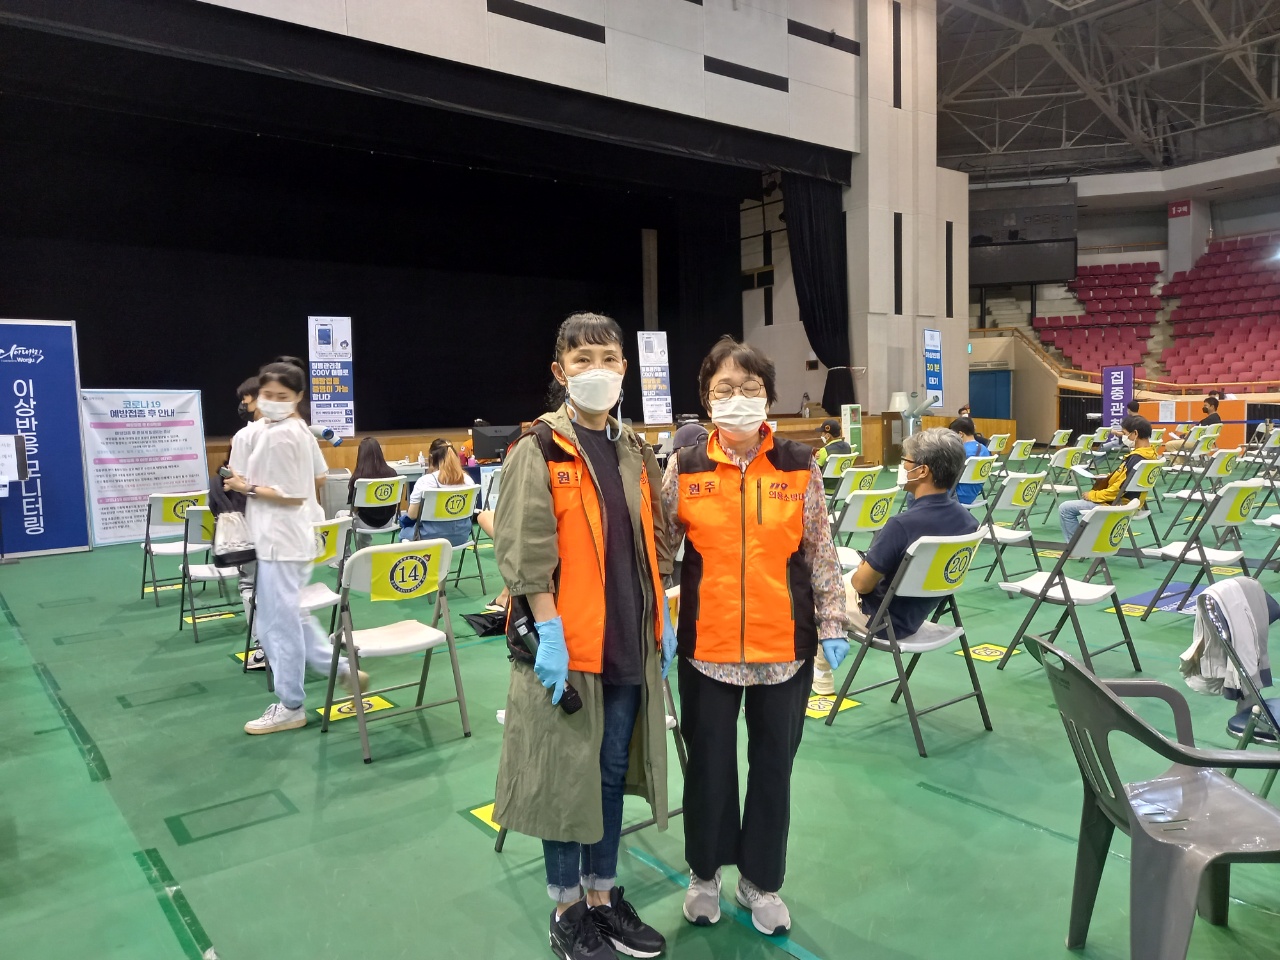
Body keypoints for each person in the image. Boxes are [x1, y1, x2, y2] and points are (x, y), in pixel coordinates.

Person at [492, 312, 675, 960]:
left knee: (608, 772)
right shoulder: (539, 449)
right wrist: (548, 632)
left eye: (608, 359)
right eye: (582, 360)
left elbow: (654, 542)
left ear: (625, 368)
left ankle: (601, 896)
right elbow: (525, 550)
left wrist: (661, 618)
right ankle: (566, 909)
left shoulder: (633, 450)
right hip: (569, 649)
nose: (597, 370)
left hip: (628, 640)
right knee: (565, 776)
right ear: (560, 371)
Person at [664, 336, 845, 936]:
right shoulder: (686, 466)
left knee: (773, 769)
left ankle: (761, 882)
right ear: (706, 400)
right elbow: (661, 552)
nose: (737, 398)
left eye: (750, 388)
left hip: (783, 649)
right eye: (725, 389)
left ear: (767, 397)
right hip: (707, 649)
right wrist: (659, 619)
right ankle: (705, 875)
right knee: (708, 768)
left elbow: (819, 551)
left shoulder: (798, 464)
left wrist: (832, 622)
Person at [223, 360, 365, 734]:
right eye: (267, 394)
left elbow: (294, 493)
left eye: (281, 395)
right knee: (289, 616)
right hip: (286, 537)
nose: (272, 401)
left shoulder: (286, 435)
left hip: (281, 540)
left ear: (298, 397)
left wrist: (249, 488)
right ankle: (341, 669)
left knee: (277, 624)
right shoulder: (282, 432)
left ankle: (291, 705)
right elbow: (319, 476)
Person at [839, 427, 978, 650]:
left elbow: (861, 585)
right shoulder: (968, 522)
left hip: (880, 620)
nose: (902, 466)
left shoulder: (901, 525)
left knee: (813, 595)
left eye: (906, 460)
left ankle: (819, 669)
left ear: (922, 471)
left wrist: (864, 565)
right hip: (915, 617)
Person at [1057, 415, 1157, 542]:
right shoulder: (1151, 455)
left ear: (1135, 433)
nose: (1123, 437)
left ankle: (1075, 548)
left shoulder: (1136, 458)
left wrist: (1092, 495)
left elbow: (1117, 490)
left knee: (1065, 509)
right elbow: (1126, 480)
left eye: (1125, 433)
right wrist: (1109, 477)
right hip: (1135, 502)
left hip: (1119, 503)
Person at [401, 440, 476, 547]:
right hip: (462, 536)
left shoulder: (425, 481)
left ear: (431, 458)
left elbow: (412, 515)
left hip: (430, 538)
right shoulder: (468, 480)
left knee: (404, 533)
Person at [346, 437, 398, 549]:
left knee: (341, 516)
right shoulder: (392, 474)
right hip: (388, 521)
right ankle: (364, 549)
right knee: (363, 515)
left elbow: (354, 508)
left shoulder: (358, 477)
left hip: (365, 523)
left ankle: (347, 555)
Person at [948, 417, 990, 505]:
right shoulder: (985, 449)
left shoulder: (960, 451)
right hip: (972, 494)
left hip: (955, 495)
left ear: (960, 434)